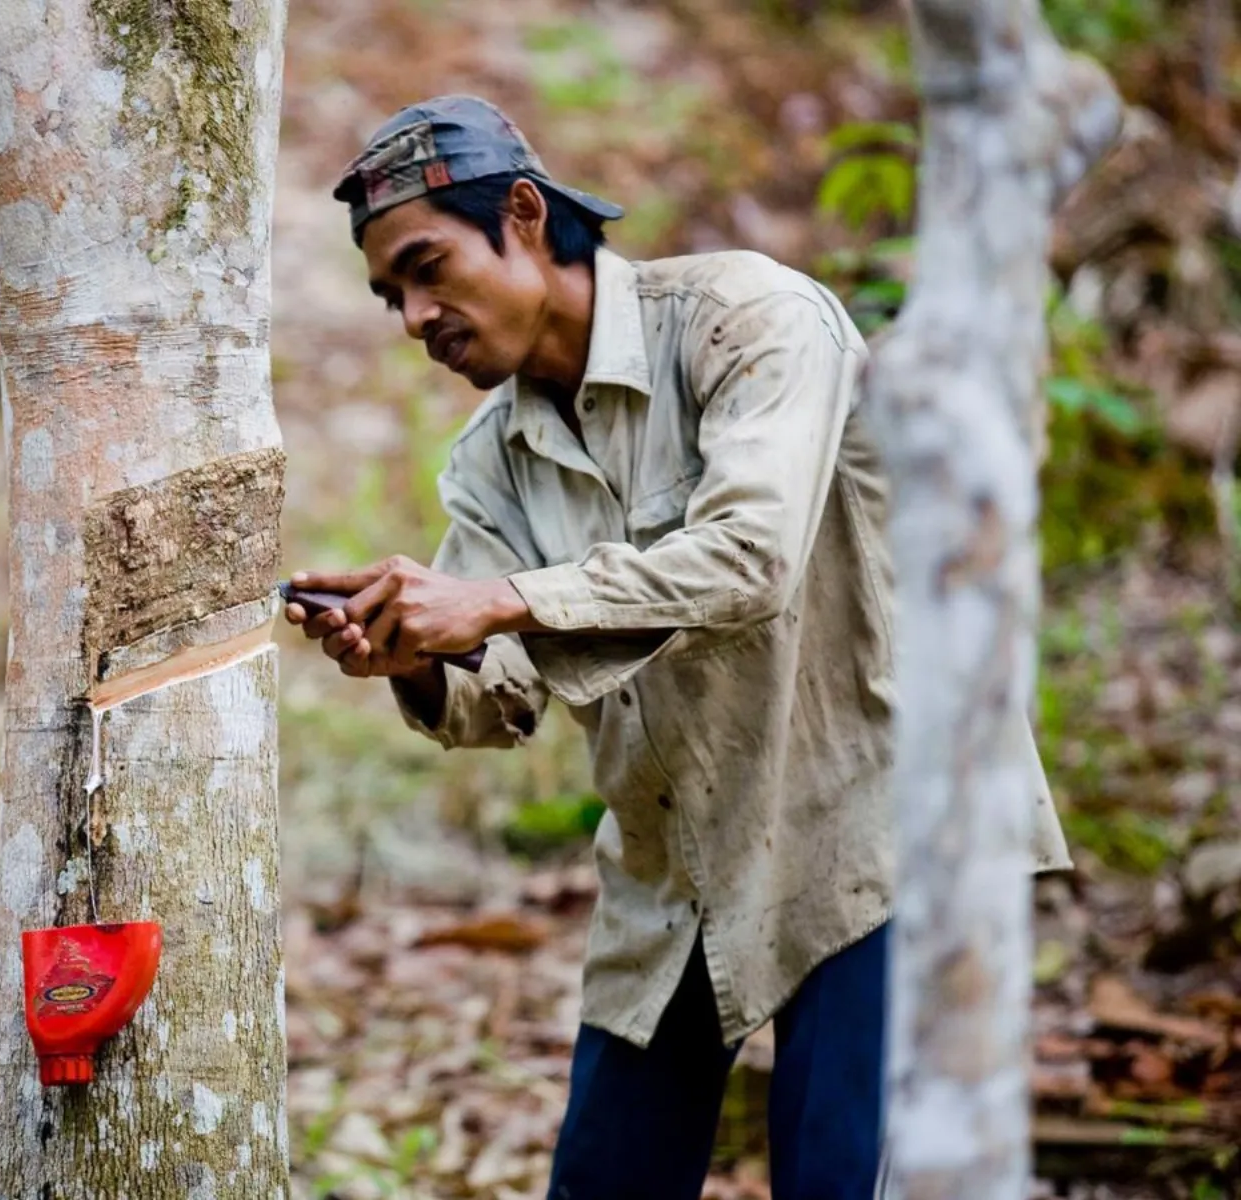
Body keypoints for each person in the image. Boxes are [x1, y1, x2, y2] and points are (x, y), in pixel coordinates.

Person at [284, 94, 1072, 1200]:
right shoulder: (490, 458)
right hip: (672, 876)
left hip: (879, 833)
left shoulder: (746, 318)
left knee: (843, 1181)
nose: (416, 317)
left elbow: (749, 558)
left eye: (428, 269)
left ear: (523, 215)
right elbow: (500, 695)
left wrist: (497, 600)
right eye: (392, 297)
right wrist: (408, 654)